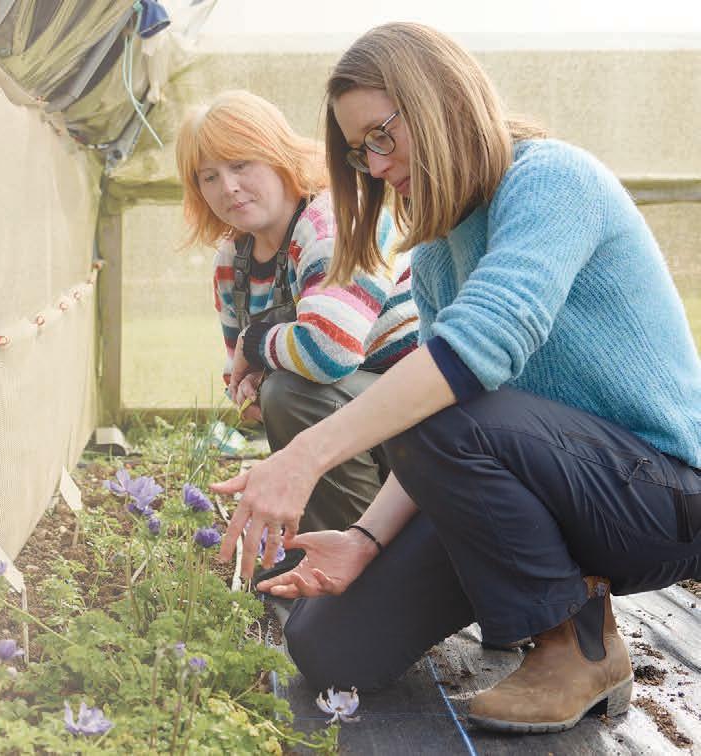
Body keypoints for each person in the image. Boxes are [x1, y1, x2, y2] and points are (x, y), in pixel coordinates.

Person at [211, 22, 701, 734]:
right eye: (360, 150)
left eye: (383, 135)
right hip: (548, 486)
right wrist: (365, 539)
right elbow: (448, 418)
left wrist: (304, 457)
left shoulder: (552, 179)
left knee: (439, 403)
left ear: (439, 101)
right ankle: (564, 611)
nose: (376, 166)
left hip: (660, 496)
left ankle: (575, 648)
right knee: (329, 645)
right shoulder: (439, 253)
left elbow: (478, 353)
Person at [175, 90, 419, 537]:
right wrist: (247, 384)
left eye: (240, 165)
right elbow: (239, 374)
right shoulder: (232, 260)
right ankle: (322, 544)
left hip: (424, 427)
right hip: (360, 426)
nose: (228, 187)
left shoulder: (335, 224)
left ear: (279, 156)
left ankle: (360, 550)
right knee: (283, 393)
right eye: (209, 177)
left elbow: (327, 352)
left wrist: (256, 345)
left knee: (292, 393)